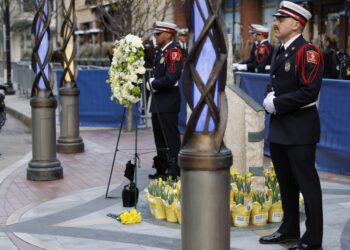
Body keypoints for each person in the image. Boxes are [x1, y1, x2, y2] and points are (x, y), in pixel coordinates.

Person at [260, 1, 324, 250]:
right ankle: (289, 230)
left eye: (280, 19)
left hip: (300, 129)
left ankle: (313, 240)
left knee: (307, 185)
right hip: (280, 128)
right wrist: (269, 98)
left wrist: (278, 103)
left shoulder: (308, 51)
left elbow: (309, 91)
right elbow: (274, 82)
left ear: (296, 23)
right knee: (285, 183)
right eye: (276, 18)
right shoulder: (281, 49)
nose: (275, 23)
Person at [148, 21, 183, 180]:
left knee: (170, 139)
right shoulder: (161, 51)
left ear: (168, 34)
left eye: (158, 33)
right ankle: (162, 170)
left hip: (168, 100)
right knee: (159, 139)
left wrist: (153, 83)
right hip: (158, 100)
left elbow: (171, 77)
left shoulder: (174, 51)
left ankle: (174, 171)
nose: (156, 36)